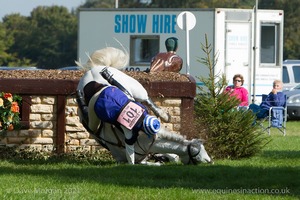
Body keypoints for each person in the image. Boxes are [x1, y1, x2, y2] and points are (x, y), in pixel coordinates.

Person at [76, 47, 162, 165]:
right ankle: (81, 100)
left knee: (125, 95)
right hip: (97, 101)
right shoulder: (129, 128)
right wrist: (132, 164)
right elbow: (130, 148)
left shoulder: (143, 110)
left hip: (110, 91)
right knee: (93, 127)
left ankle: (84, 96)